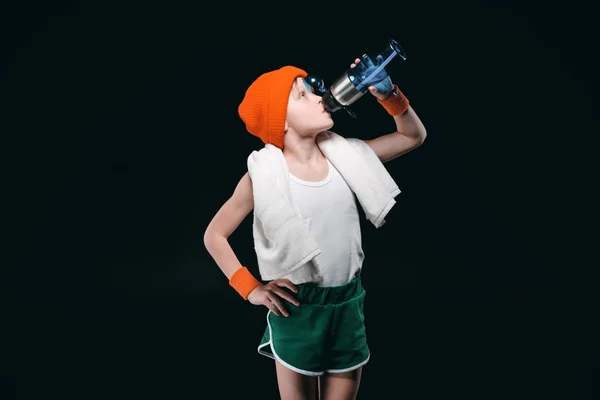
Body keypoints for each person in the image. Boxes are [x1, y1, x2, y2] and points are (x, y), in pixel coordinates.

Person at [203, 56, 427, 399]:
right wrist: (251, 288)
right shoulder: (262, 176)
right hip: (297, 309)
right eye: (302, 95)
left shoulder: (348, 157)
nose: (319, 96)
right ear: (281, 121)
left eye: (312, 88)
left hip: (348, 304)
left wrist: (389, 96)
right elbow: (214, 235)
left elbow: (412, 136)